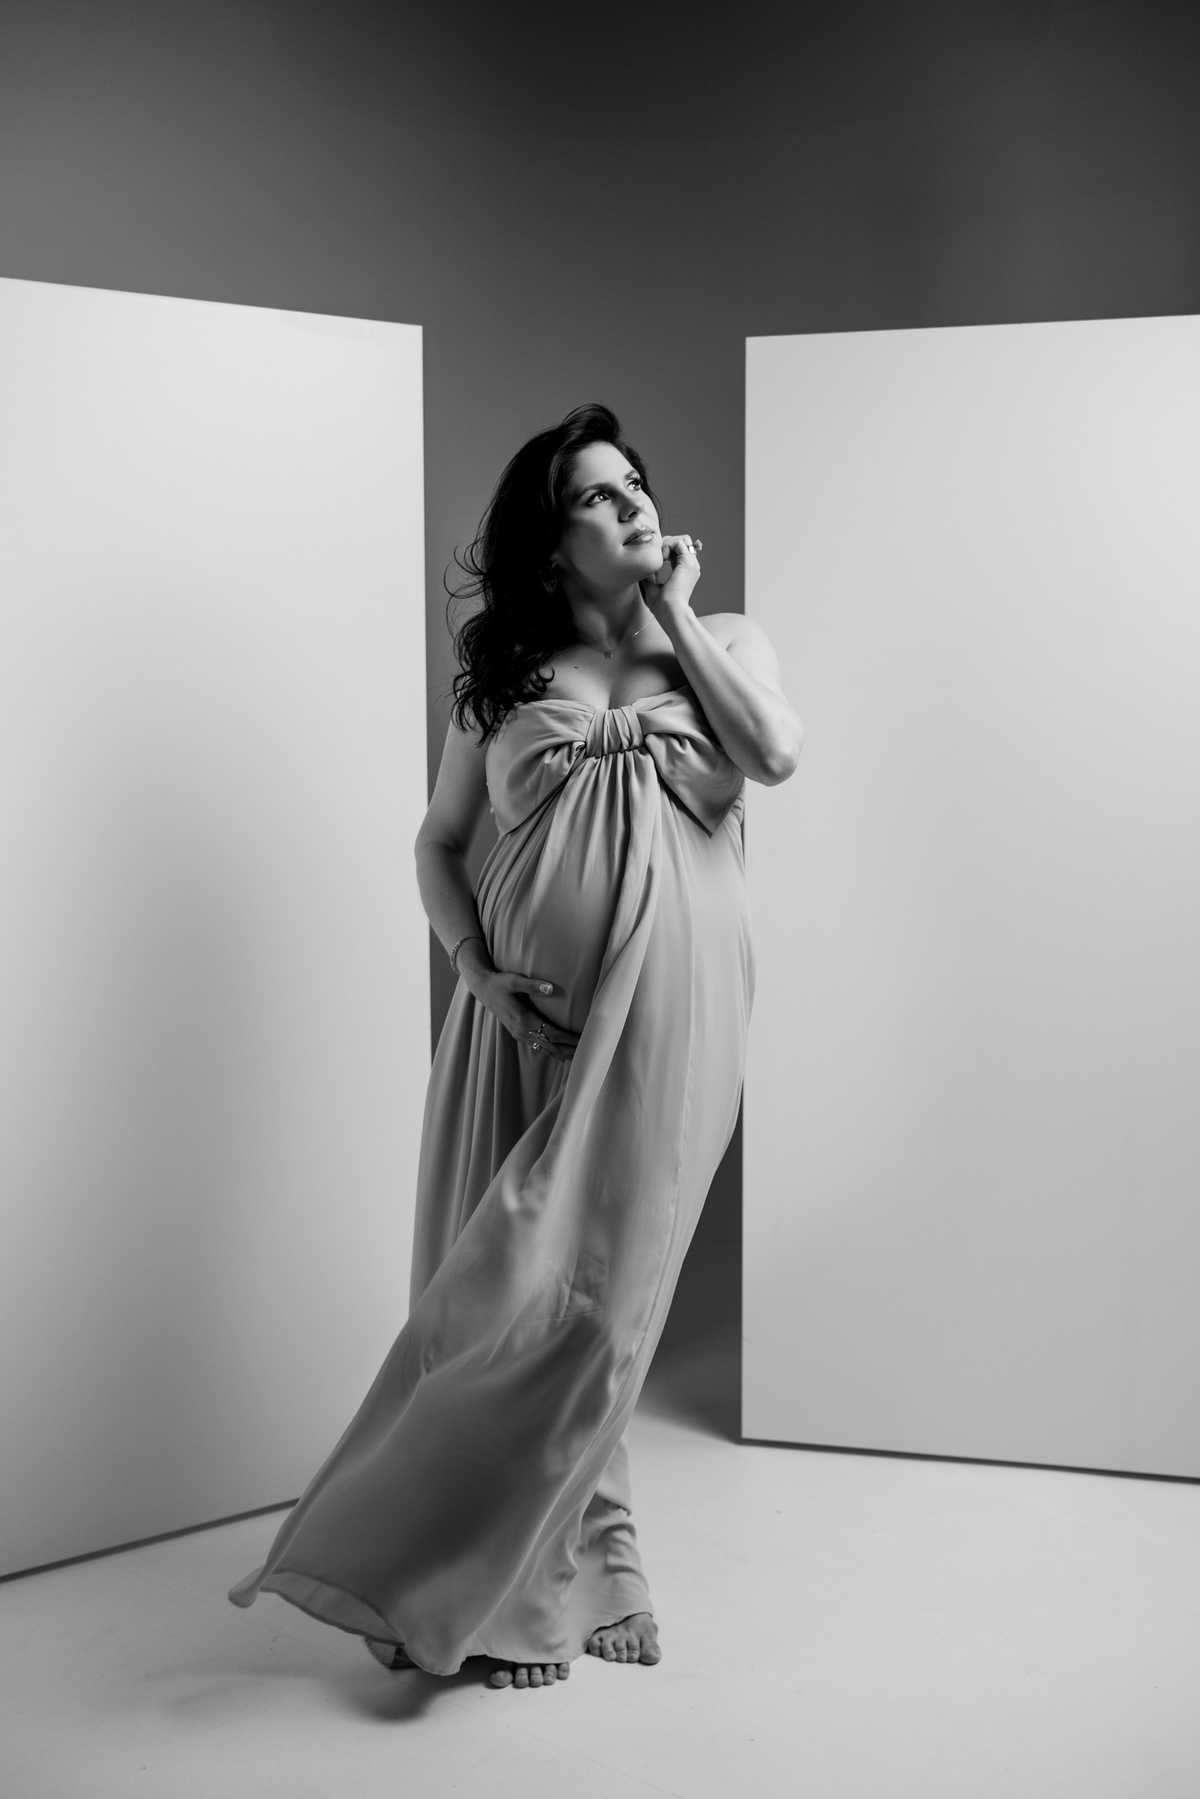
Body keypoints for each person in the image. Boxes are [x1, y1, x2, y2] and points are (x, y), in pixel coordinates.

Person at [228, 403, 803, 1689]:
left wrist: (672, 614)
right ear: (551, 544)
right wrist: (475, 969)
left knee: (604, 1297)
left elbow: (773, 751)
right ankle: (477, 1566)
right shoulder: (507, 680)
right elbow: (438, 842)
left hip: (671, 1020)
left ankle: (585, 1553)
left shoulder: (723, 638)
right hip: (517, 1023)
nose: (635, 502)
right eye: (600, 494)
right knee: (497, 1297)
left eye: (636, 481)